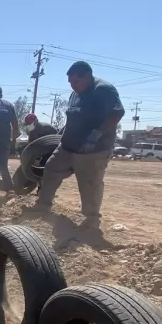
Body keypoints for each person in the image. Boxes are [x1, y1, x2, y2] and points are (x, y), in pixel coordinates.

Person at [29, 61, 125, 231]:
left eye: (76, 82)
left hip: (92, 149)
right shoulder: (76, 94)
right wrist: (60, 135)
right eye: (70, 83)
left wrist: (95, 135)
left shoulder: (103, 89)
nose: (73, 86)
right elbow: (73, 116)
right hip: (68, 146)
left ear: (87, 76)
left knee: (89, 184)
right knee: (51, 169)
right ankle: (43, 205)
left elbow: (117, 113)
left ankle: (92, 220)